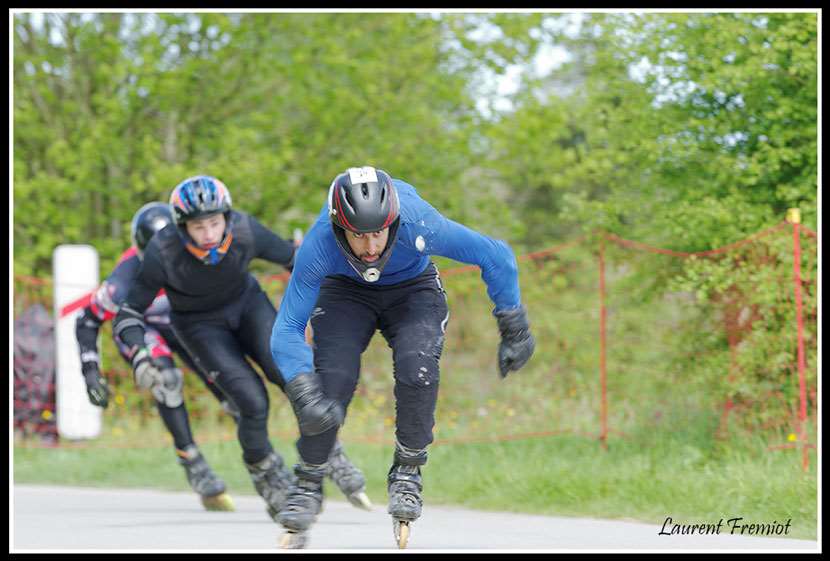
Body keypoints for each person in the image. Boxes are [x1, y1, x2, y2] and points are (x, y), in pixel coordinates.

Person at [270, 166, 536, 548]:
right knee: (329, 384)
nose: (371, 247)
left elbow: (495, 255)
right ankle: (308, 481)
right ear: (338, 227)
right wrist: (301, 387)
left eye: (378, 232)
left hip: (413, 289)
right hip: (345, 292)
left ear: (392, 220)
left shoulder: (419, 223)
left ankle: (408, 470)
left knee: (418, 368)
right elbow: (287, 328)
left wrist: (514, 323)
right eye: (358, 236)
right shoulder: (320, 244)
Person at [112, 175, 371, 523]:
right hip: (199, 326)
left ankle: (328, 451)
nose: (208, 234)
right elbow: (128, 313)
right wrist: (139, 354)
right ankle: (266, 472)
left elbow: (296, 260)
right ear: (180, 227)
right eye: (198, 226)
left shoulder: (245, 231)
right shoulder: (162, 252)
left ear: (227, 218)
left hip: (248, 307)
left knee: (293, 376)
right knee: (252, 402)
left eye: (215, 223)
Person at [75, 201, 236, 511]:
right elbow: (87, 320)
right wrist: (90, 371)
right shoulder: (121, 282)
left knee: (230, 381)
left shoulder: (202, 256)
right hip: (141, 327)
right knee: (167, 379)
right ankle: (191, 458)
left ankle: (260, 455)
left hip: (179, 321)